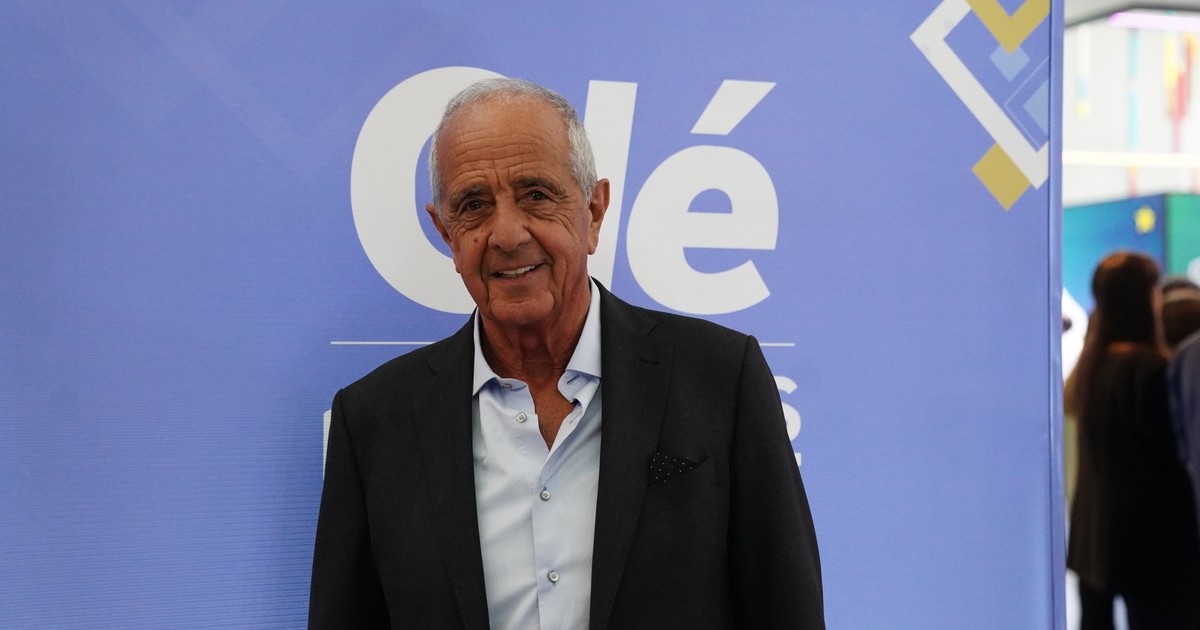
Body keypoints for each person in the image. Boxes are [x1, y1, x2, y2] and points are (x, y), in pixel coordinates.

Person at [308, 78, 824, 629]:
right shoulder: (373, 422)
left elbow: (786, 609)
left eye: (536, 194)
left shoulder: (721, 378)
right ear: (445, 233)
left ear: (594, 211)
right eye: (474, 205)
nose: (507, 234)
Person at [1066, 252, 1200, 630]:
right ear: (1147, 297)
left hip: (1095, 535)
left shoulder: (1092, 370)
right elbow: (1175, 458)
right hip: (1155, 542)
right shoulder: (1154, 370)